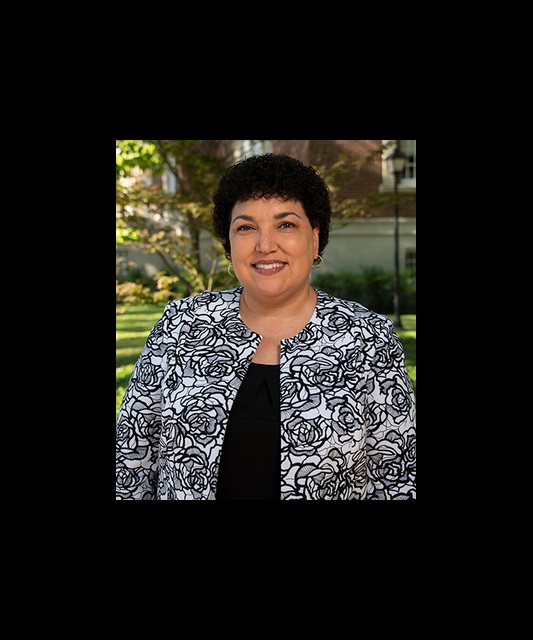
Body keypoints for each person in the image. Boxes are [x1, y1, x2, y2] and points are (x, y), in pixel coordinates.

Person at [116, 153, 416, 500]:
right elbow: (131, 462)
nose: (265, 245)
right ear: (229, 243)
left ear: (314, 238)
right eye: (246, 227)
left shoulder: (368, 339)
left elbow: (398, 479)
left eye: (285, 225)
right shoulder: (181, 325)